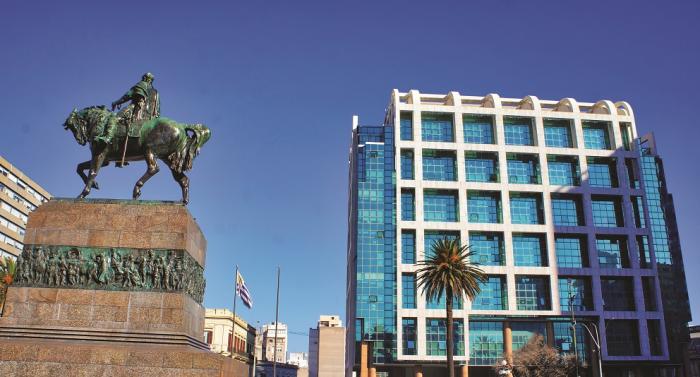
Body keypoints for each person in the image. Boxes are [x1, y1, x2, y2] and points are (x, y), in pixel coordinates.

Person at [96, 72, 159, 146]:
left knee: (114, 118)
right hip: (150, 117)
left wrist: (116, 102)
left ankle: (108, 137)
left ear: (144, 78)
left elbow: (127, 96)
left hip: (135, 109)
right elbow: (157, 108)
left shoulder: (141, 85)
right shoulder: (155, 92)